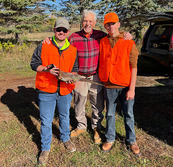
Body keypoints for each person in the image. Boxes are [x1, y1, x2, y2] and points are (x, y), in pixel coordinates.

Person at [43, 10, 132, 145]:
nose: (88, 24)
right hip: (79, 76)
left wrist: (126, 34)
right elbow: (61, 43)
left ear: (95, 23)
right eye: (85, 21)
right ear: (81, 22)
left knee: (97, 103)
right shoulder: (74, 37)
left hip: (96, 76)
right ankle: (81, 126)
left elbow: (115, 34)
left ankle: (96, 126)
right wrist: (49, 39)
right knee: (79, 102)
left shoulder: (100, 36)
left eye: (91, 21)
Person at [30, 17, 78, 165]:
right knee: (46, 120)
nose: (61, 32)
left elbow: (75, 70)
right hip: (46, 89)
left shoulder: (73, 50)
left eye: (64, 30)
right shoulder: (44, 45)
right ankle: (45, 148)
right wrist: (46, 70)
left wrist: (72, 78)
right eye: (59, 29)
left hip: (65, 90)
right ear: (54, 30)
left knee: (64, 116)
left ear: (68, 32)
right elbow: (33, 64)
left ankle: (65, 138)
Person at [98, 12, 140, 155]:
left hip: (126, 86)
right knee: (110, 114)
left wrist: (132, 89)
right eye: (107, 24)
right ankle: (110, 139)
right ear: (105, 26)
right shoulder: (102, 41)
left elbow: (134, 67)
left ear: (119, 24)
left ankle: (131, 140)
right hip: (109, 85)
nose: (110, 26)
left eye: (113, 23)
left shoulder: (128, 42)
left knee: (128, 114)